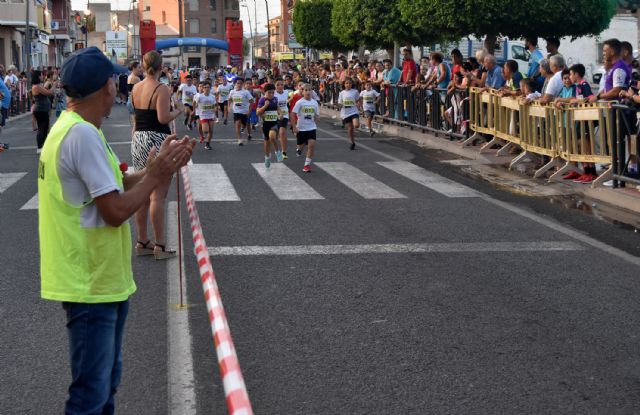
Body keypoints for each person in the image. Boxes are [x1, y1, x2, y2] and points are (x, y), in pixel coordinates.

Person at [38, 46, 194, 415]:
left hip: (95, 277)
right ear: (103, 88)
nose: (118, 84)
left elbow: (118, 183)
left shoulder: (76, 129)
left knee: (104, 383)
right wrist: (156, 175)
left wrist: (157, 167)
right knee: (91, 394)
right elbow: (114, 211)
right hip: (90, 281)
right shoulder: (81, 136)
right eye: (112, 78)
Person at [131, 50, 185, 259]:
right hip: (157, 139)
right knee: (158, 195)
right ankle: (160, 245)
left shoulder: (135, 88)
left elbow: (136, 117)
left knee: (142, 191)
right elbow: (163, 118)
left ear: (143, 67)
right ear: (161, 67)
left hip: (139, 138)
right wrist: (178, 110)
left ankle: (142, 240)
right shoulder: (161, 88)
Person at [291, 84, 320, 172]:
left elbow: (316, 114)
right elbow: (292, 114)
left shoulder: (314, 102)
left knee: (311, 145)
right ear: (302, 92)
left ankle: (306, 165)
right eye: (306, 90)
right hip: (301, 128)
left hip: (311, 127)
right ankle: (299, 149)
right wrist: (294, 127)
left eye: (310, 90)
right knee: (301, 145)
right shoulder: (299, 102)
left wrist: (317, 117)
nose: (308, 92)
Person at [256, 83, 283, 168]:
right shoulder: (262, 100)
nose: (271, 94)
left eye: (272, 92)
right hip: (265, 124)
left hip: (274, 123)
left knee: (272, 137)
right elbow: (258, 112)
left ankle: (277, 151)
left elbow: (278, 108)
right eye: (269, 92)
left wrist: (281, 114)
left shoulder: (275, 99)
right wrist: (265, 106)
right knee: (267, 143)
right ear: (264, 92)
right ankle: (267, 157)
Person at [32, 69, 53, 153]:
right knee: (41, 128)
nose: (42, 76)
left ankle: (43, 146)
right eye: (41, 75)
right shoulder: (37, 86)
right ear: (37, 76)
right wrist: (54, 85)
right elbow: (49, 93)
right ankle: (39, 147)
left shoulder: (39, 85)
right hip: (40, 110)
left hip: (43, 110)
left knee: (44, 129)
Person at [228, 78, 254, 145]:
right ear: (235, 84)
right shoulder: (232, 92)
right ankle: (239, 139)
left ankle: (247, 131)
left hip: (245, 111)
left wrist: (249, 111)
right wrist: (229, 106)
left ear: (242, 84)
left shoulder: (246, 92)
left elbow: (252, 101)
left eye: (240, 83)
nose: (239, 85)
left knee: (245, 124)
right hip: (236, 111)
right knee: (237, 124)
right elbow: (230, 99)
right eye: (238, 83)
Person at [338, 77, 361, 150]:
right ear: (344, 84)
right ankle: (352, 142)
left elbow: (358, 100)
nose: (348, 85)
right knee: (350, 129)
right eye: (346, 83)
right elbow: (340, 103)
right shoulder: (342, 93)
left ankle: (354, 133)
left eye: (350, 83)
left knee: (356, 125)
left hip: (354, 111)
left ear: (352, 84)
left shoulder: (355, 91)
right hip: (346, 112)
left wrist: (359, 106)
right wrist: (340, 105)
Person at [195, 81, 216, 150]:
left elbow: (214, 105)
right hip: (203, 115)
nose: (206, 88)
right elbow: (195, 103)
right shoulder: (200, 97)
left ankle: (207, 144)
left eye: (208, 87)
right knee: (206, 130)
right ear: (203, 89)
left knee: (211, 131)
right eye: (205, 87)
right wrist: (194, 109)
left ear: (210, 88)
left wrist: (215, 109)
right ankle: (203, 136)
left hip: (211, 115)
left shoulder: (212, 96)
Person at [274, 79, 291, 159]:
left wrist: (289, 101)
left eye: (281, 84)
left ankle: (284, 152)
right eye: (278, 85)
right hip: (274, 116)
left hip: (284, 115)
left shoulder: (287, 92)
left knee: (282, 132)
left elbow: (293, 97)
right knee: (274, 136)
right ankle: (277, 151)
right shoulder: (272, 93)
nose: (280, 86)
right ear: (275, 86)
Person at [0, 65, 10, 151]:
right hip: (1, 105)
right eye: (0, 67)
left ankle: (0, 142)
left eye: (2, 67)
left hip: (3, 105)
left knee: (1, 125)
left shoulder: (1, 78)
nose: (2, 69)